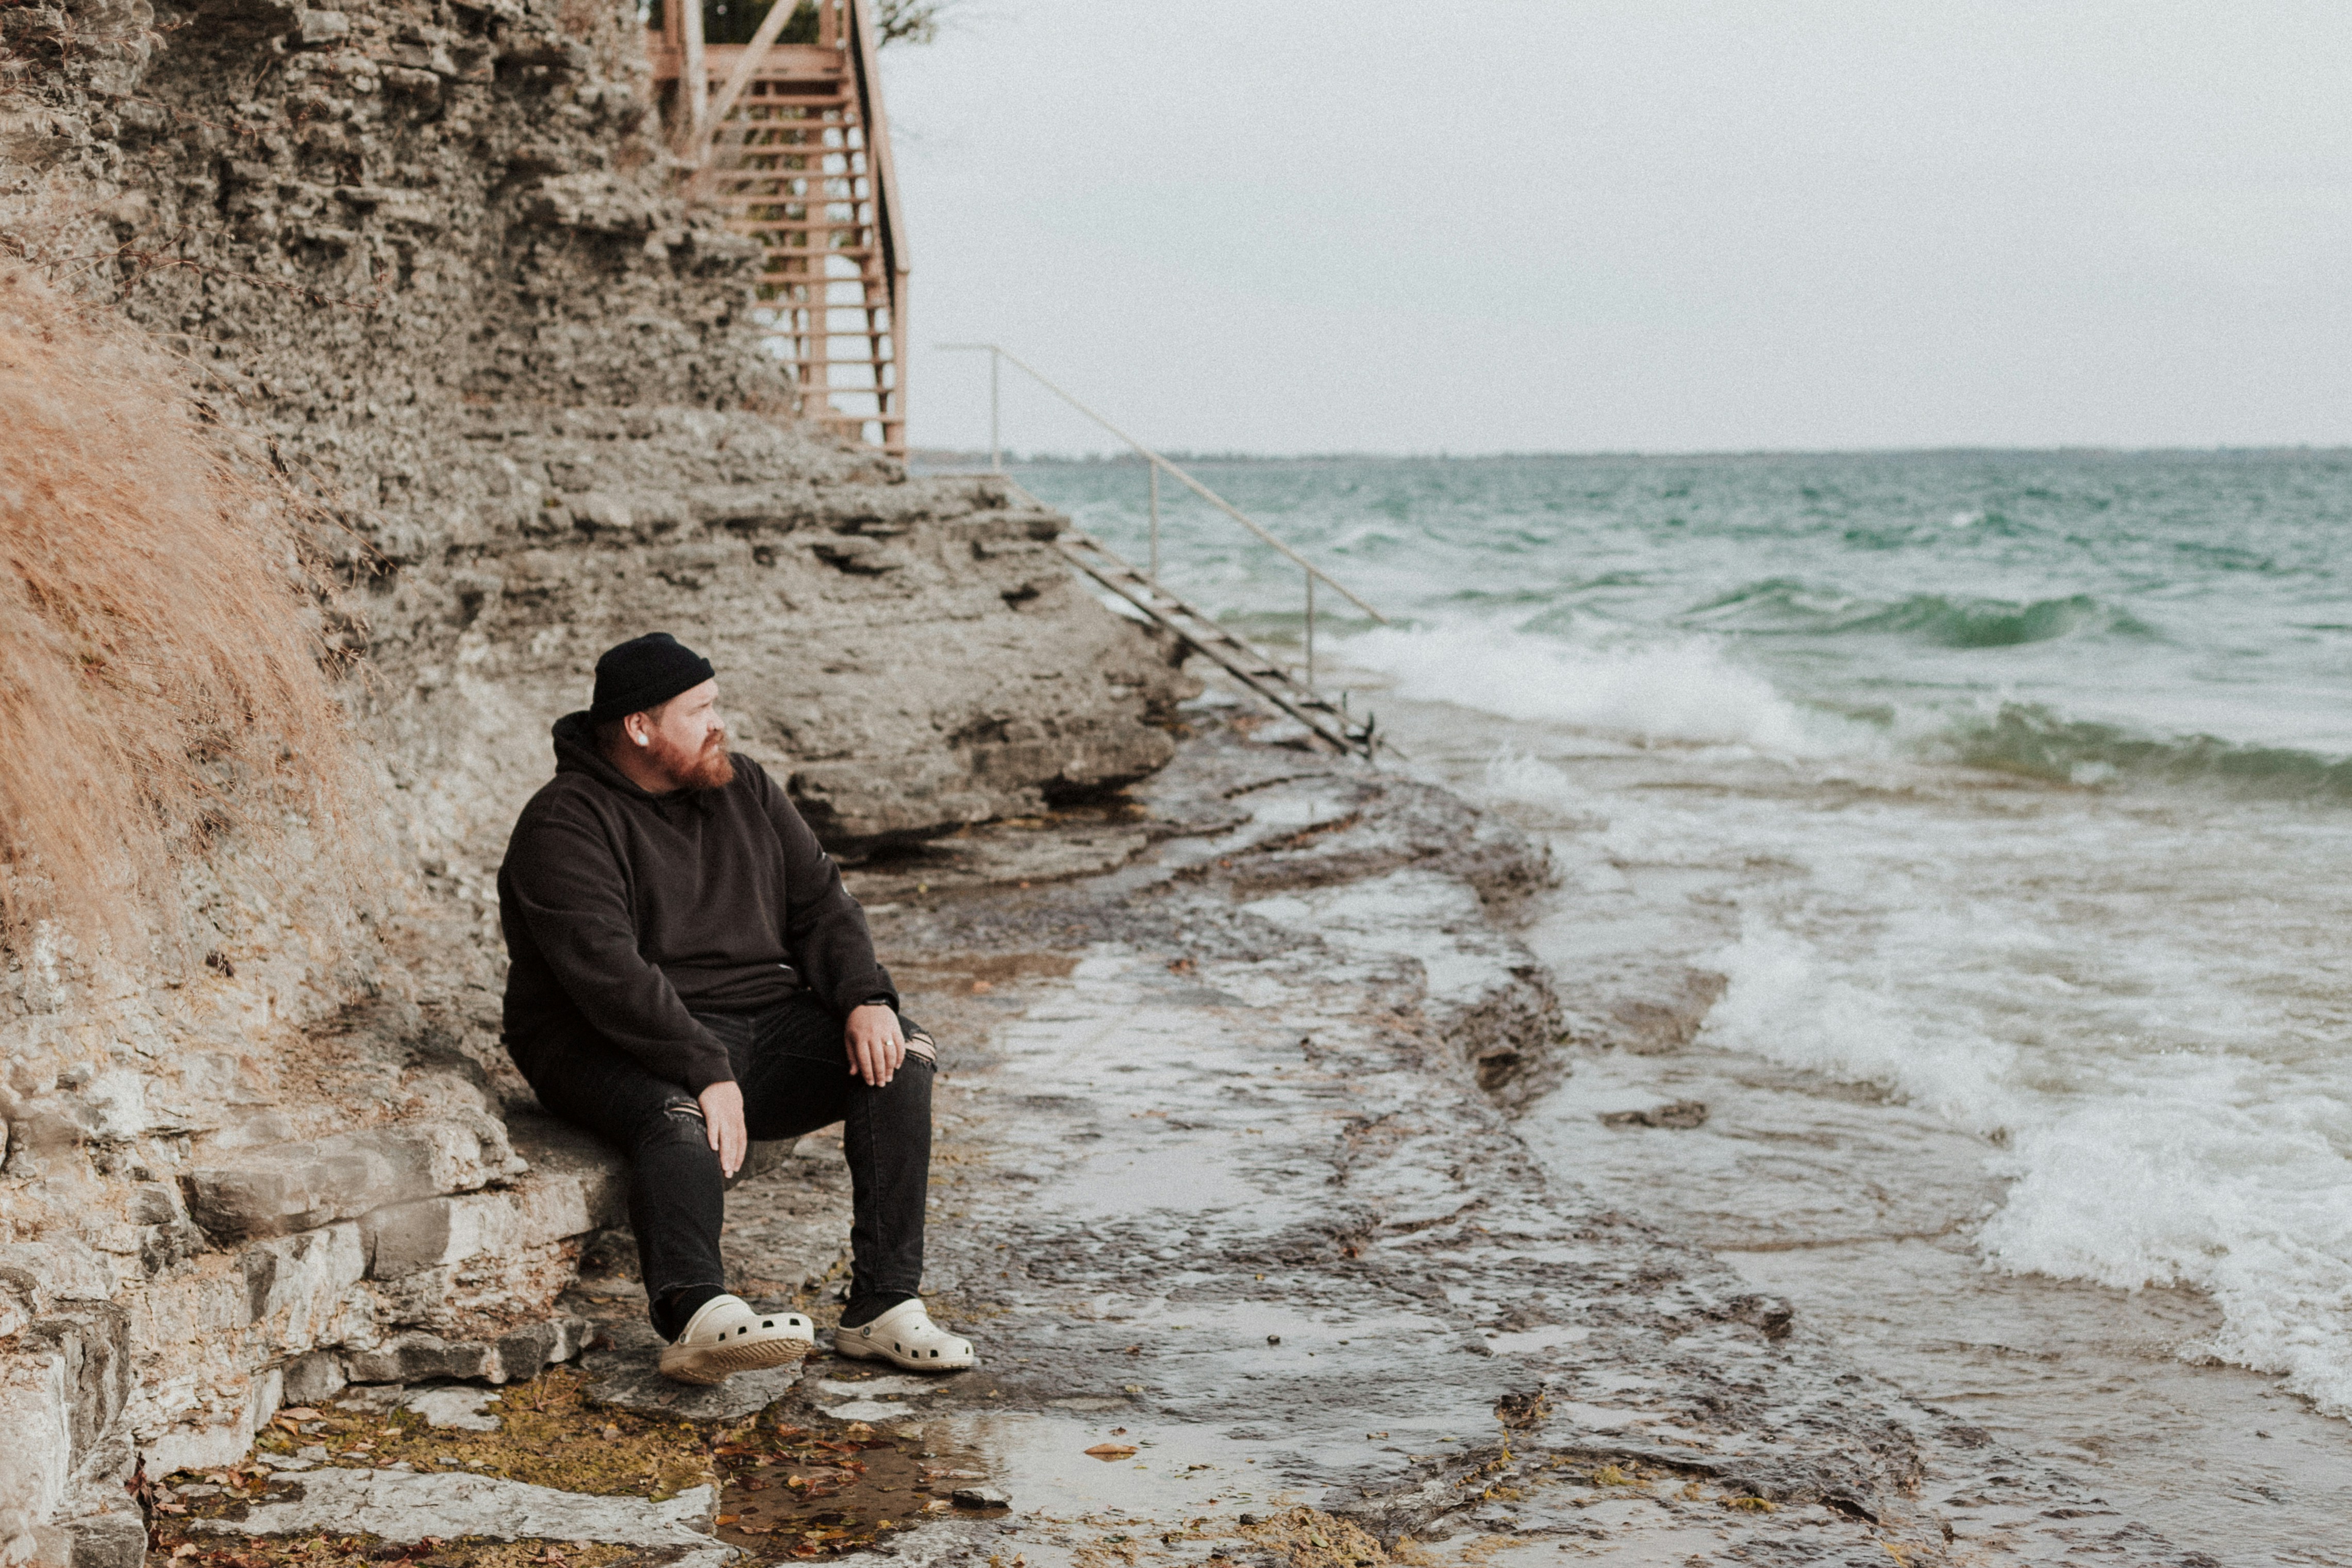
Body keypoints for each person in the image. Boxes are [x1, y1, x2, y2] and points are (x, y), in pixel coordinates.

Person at [495, 631, 973, 1385]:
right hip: (597, 1036)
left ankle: (882, 1305)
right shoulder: (564, 823)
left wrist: (867, 997)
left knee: (900, 1056)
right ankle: (697, 1313)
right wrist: (707, 1069)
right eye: (701, 709)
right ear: (640, 727)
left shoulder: (743, 785)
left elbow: (823, 905)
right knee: (675, 1115)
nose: (720, 722)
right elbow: (610, 977)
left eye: (716, 703)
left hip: (757, 1020)